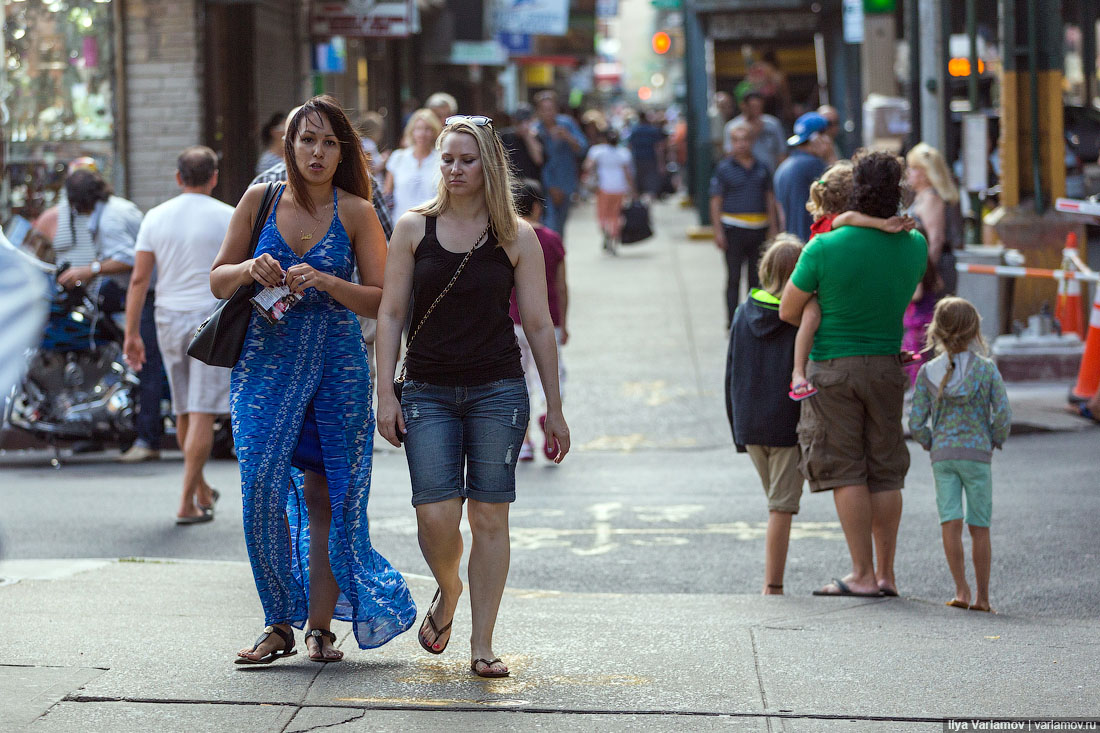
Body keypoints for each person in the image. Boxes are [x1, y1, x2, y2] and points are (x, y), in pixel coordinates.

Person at [211, 95, 414, 664]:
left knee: (330, 496)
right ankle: (277, 621)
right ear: (289, 146)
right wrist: (251, 268)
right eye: (307, 140)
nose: (318, 152)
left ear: (342, 150)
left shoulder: (356, 211)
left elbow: (381, 300)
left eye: (329, 142)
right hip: (263, 367)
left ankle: (320, 627)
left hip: (337, 370)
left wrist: (327, 282)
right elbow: (216, 280)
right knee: (259, 491)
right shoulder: (259, 198)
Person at [375, 115, 570, 679]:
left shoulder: (517, 236)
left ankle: (482, 644)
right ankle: (449, 587)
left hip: (498, 389)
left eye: (467, 160)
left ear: (489, 167)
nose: (455, 170)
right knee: (435, 514)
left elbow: (538, 323)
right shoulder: (413, 228)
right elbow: (391, 313)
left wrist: (553, 407)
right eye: (448, 159)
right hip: (427, 390)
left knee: (490, 517)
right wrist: (385, 391)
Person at [779, 150, 927, 598]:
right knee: (886, 470)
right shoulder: (914, 245)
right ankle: (886, 574)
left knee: (846, 470)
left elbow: (788, 310)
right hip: (886, 363)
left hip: (832, 368)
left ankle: (860, 573)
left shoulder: (824, 247)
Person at [123, 146, 234, 525]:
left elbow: (139, 279)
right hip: (210, 317)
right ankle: (187, 502)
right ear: (214, 177)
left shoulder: (155, 216)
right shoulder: (229, 216)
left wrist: (131, 332)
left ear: (177, 177)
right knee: (201, 409)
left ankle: (201, 490)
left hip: (167, 316)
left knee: (186, 406)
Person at [32, 161, 160, 457]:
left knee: (144, 361)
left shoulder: (110, 219)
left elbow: (129, 260)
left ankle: (147, 440)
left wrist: (89, 270)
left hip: (143, 293)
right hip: (123, 289)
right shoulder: (112, 209)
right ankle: (96, 419)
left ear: (78, 203)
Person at [909, 297, 1010, 613]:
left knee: (949, 522)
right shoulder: (986, 370)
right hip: (977, 454)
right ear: (975, 331)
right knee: (979, 526)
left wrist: (929, 441)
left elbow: (915, 422)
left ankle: (961, 590)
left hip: (943, 456)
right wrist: (994, 439)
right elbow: (1003, 415)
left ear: (936, 332)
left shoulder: (928, 372)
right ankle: (983, 597)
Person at [789, 161, 917, 399]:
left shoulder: (831, 227)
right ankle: (798, 372)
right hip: (821, 300)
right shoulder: (836, 223)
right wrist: (883, 224)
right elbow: (848, 218)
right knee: (812, 315)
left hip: (832, 315)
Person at [725, 234, 804, 595]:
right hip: (786, 425)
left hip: (751, 424)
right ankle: (773, 585)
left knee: (776, 501)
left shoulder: (743, 312)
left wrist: (737, 426)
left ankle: (774, 580)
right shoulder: (799, 317)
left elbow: (731, 371)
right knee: (781, 507)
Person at [509, 180, 568, 461]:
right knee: (551, 374)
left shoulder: (505, 238)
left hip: (512, 322)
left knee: (516, 380)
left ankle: (523, 442)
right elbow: (561, 285)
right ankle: (547, 414)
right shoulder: (551, 240)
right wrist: (564, 322)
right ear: (536, 206)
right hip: (548, 321)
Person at [709, 122, 781, 325]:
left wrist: (773, 227)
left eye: (745, 139)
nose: (741, 144)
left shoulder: (762, 168)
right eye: (736, 140)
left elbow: (769, 198)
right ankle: (731, 322)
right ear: (731, 143)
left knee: (756, 280)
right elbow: (715, 202)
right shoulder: (723, 169)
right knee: (733, 278)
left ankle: (753, 321)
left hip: (759, 229)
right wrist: (718, 231)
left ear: (752, 141)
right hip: (733, 230)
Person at [906, 143, 963, 296]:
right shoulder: (924, 197)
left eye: (913, 168)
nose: (908, 172)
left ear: (924, 172)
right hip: (931, 267)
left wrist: (925, 276)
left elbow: (936, 239)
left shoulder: (931, 198)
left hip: (935, 269)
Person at [533, 90, 588, 236]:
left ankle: (558, 256)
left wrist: (567, 137)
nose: (547, 113)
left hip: (566, 182)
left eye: (550, 109)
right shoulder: (536, 130)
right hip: (545, 186)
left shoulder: (567, 124)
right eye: (543, 110)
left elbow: (582, 148)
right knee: (549, 225)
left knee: (560, 225)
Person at [773, 112, 829, 243]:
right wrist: (829, 157)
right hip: (811, 242)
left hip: (791, 243)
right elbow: (841, 192)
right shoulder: (814, 164)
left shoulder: (783, 166)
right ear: (818, 137)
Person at [385, 108, 444, 221]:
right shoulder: (398, 157)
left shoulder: (442, 159)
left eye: (428, 129)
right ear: (412, 131)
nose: (422, 134)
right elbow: (387, 194)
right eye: (418, 129)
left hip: (433, 226)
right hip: (400, 225)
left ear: (434, 132)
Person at [583, 128, 634, 252]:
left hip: (603, 187)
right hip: (619, 188)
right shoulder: (624, 153)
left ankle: (606, 231)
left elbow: (587, 166)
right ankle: (614, 237)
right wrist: (632, 189)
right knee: (616, 215)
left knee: (603, 214)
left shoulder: (597, 151)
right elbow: (628, 173)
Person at [725, 90, 786, 174]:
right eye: (753, 107)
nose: (756, 110)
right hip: (742, 176)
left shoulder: (773, 124)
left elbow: (781, 152)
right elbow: (729, 154)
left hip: (769, 174)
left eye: (759, 106)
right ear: (744, 106)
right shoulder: (732, 126)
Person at [627, 109, 666, 199]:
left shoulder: (634, 130)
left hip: (637, 160)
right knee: (651, 186)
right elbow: (659, 148)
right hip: (651, 160)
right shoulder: (653, 130)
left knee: (639, 184)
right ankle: (647, 205)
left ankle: (639, 205)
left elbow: (629, 146)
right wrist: (661, 163)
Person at [499, 105, 544, 183]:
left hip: (532, 185)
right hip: (511, 182)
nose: (522, 125)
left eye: (526, 121)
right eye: (519, 122)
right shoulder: (505, 137)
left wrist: (528, 136)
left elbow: (538, 160)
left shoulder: (537, 137)